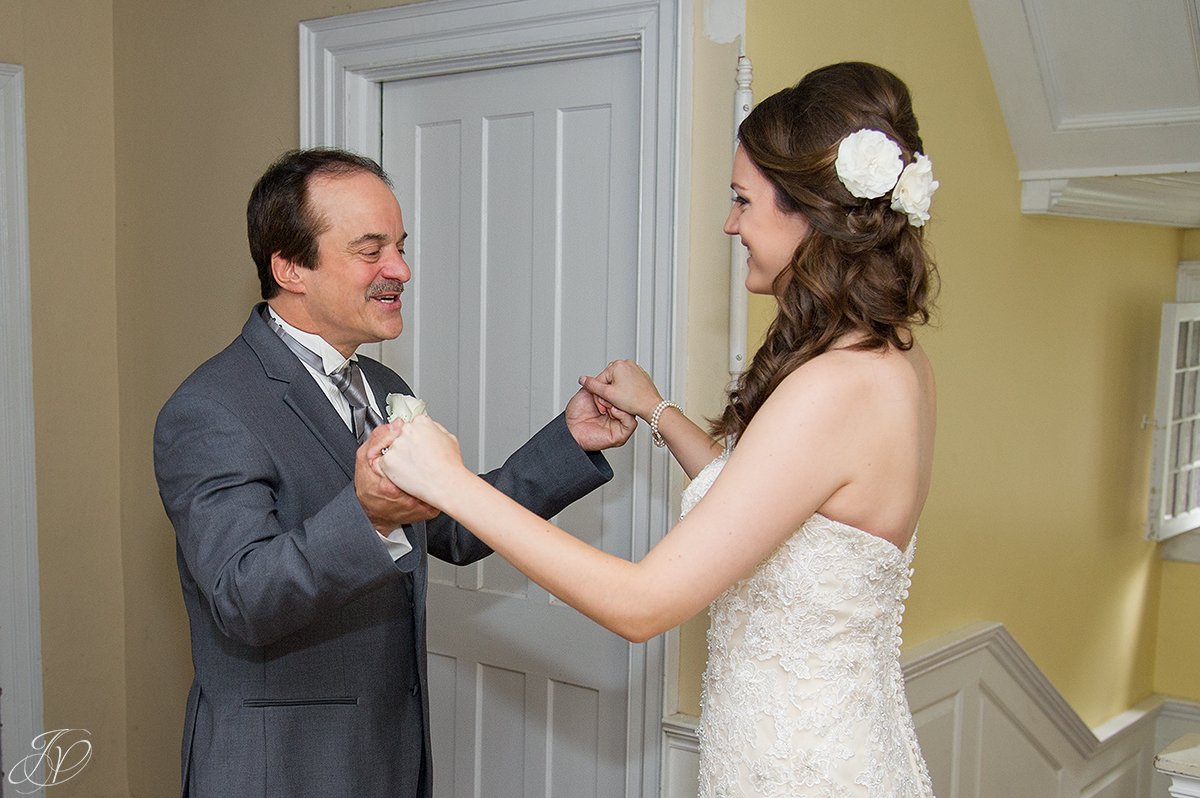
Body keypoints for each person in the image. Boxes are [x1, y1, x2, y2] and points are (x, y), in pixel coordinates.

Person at [376, 61, 940, 797]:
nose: (730, 222)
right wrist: (656, 410)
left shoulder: (835, 385)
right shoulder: (889, 355)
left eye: (742, 200)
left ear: (809, 212)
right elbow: (774, 502)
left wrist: (446, 482)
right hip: (825, 742)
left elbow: (643, 605)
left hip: (804, 771)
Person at [153, 148, 634, 798]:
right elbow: (241, 599)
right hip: (280, 767)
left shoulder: (381, 385)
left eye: (401, 247)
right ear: (290, 266)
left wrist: (568, 442)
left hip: (390, 752)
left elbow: (454, 533)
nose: (400, 269)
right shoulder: (211, 409)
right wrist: (369, 515)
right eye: (370, 250)